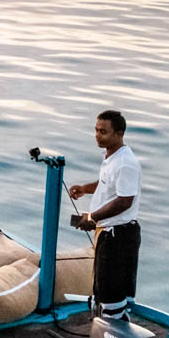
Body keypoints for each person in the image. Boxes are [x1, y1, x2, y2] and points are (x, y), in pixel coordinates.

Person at [68, 110, 141, 319]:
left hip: (118, 235)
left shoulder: (125, 163)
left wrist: (92, 217)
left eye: (104, 132)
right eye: (96, 130)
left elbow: (124, 201)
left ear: (119, 134)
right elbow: (107, 185)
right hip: (108, 231)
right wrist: (85, 188)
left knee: (111, 291)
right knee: (105, 287)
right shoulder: (111, 156)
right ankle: (112, 325)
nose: (98, 135)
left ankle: (113, 334)